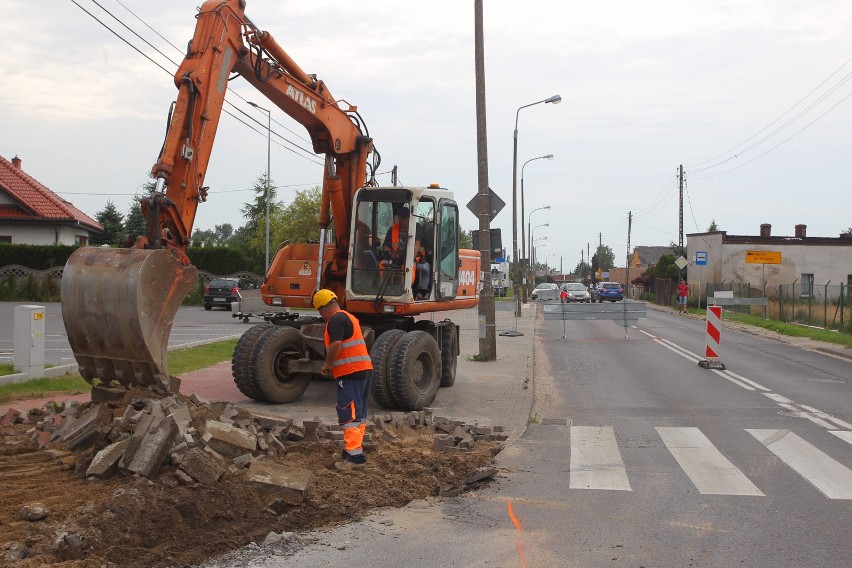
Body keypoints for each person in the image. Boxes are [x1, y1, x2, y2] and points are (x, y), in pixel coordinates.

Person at [313, 289, 373, 470]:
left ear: (323, 310)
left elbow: (337, 344)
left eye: (320, 313)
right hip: (363, 371)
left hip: (350, 373)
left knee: (348, 413)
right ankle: (353, 450)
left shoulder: (335, 320)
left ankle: (355, 458)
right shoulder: (349, 317)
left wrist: (327, 365)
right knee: (359, 414)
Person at [382, 207, 430, 298]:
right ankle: (383, 290)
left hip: (411, 258)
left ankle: (404, 292)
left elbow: (417, 245)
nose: (402, 221)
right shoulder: (393, 229)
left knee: (408, 267)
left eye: (404, 218)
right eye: (400, 218)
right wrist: (391, 253)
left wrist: (409, 258)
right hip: (395, 258)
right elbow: (386, 246)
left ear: (409, 218)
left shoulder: (416, 227)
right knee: (382, 264)